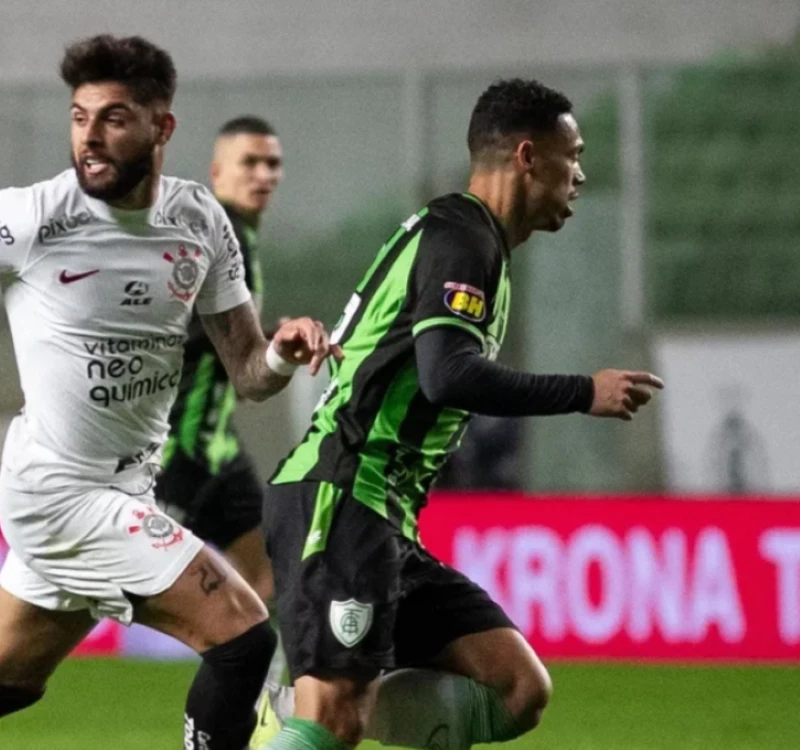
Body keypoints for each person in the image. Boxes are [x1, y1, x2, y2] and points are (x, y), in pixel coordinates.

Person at [0, 35, 338, 750]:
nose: (89, 137)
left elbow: (247, 372)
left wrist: (280, 350)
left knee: (3, 681)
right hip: (58, 492)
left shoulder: (201, 222)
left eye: (114, 118)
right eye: (79, 116)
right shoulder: (32, 216)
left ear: (162, 127)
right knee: (242, 637)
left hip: (126, 490)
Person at [252, 79, 664, 750]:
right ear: (528, 156)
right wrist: (581, 393)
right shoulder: (461, 238)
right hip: (343, 492)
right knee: (333, 717)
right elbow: (447, 376)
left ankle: (295, 706)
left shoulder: (473, 243)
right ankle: (302, 715)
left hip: (383, 516)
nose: (581, 173)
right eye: (574, 153)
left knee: (516, 688)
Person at [157, 115, 284, 603]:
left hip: (218, 450)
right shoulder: (221, 232)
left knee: (266, 575)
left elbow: (225, 332)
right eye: (249, 162)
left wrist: (272, 337)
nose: (263, 174)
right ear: (218, 173)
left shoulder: (241, 237)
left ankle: (261, 680)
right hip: (177, 446)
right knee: (138, 589)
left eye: (272, 164)